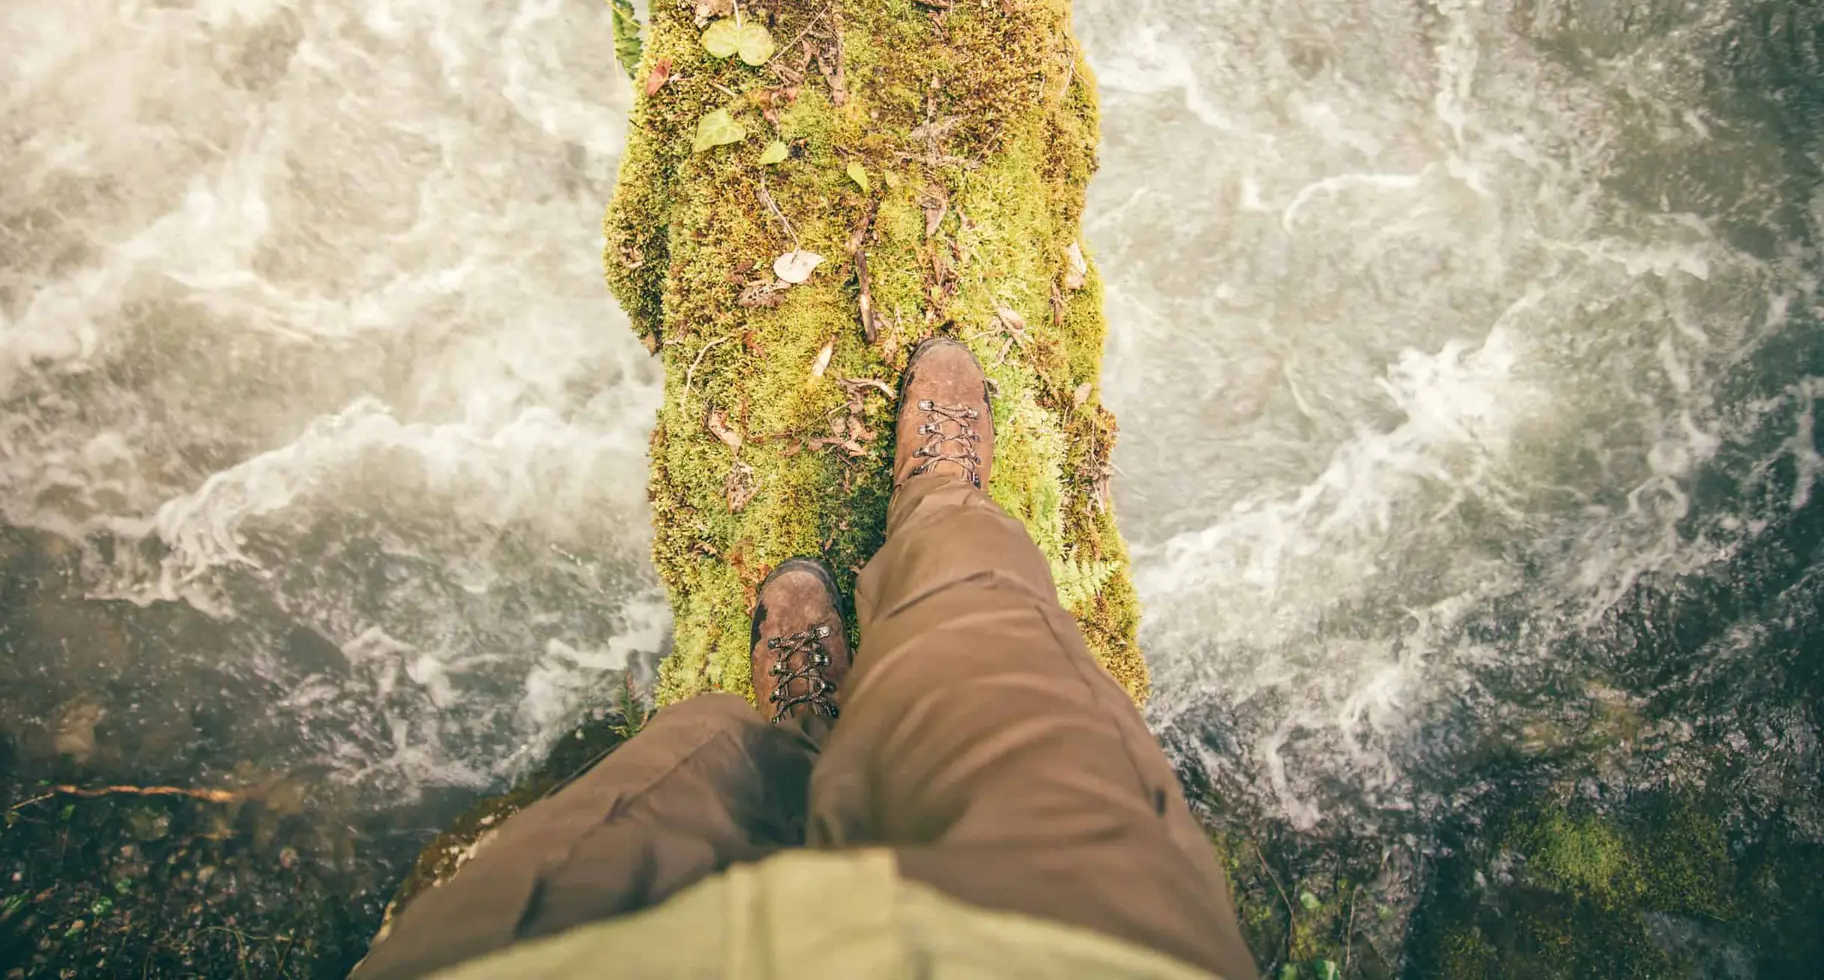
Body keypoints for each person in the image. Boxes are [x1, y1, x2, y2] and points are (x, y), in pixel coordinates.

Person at [354, 339, 1258, 980]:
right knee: (1002, 664)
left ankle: (807, 729)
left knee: (683, 776)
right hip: (1083, 943)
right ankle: (942, 511)